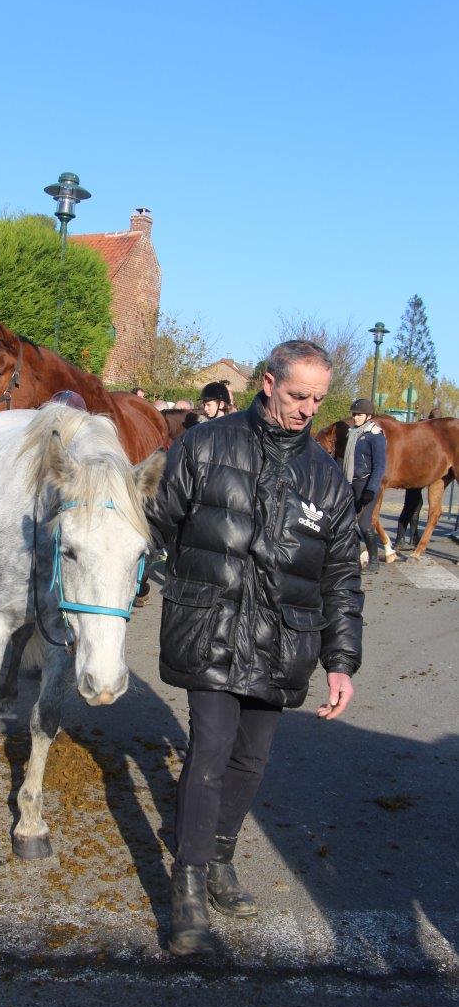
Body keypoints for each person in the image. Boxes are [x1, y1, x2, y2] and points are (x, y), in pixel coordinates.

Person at [147, 339, 363, 956]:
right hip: (210, 626)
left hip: (282, 640)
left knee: (250, 761)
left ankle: (219, 856)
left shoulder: (326, 478)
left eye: (318, 400)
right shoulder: (204, 445)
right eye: (298, 396)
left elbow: (341, 575)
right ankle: (186, 882)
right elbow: (158, 523)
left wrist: (341, 661)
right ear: (268, 383)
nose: (308, 410)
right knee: (210, 752)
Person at [342, 398, 387, 574]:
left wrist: (371, 489)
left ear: (368, 415)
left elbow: (379, 466)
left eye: (359, 414)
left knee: (364, 523)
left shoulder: (375, 436)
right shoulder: (352, 433)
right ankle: (353, 558)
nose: (355, 417)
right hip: (350, 483)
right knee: (347, 522)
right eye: (354, 414)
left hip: (366, 485)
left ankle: (374, 561)